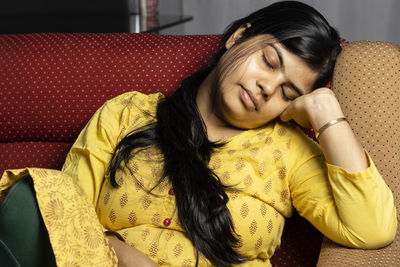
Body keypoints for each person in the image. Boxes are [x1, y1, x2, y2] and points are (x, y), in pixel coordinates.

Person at [0, 1, 397, 267]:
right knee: (33, 194)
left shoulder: (290, 152)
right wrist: (126, 256)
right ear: (239, 37)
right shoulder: (129, 113)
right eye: (268, 62)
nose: (266, 88)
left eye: (288, 92)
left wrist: (329, 118)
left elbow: (373, 229)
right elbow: (65, 218)